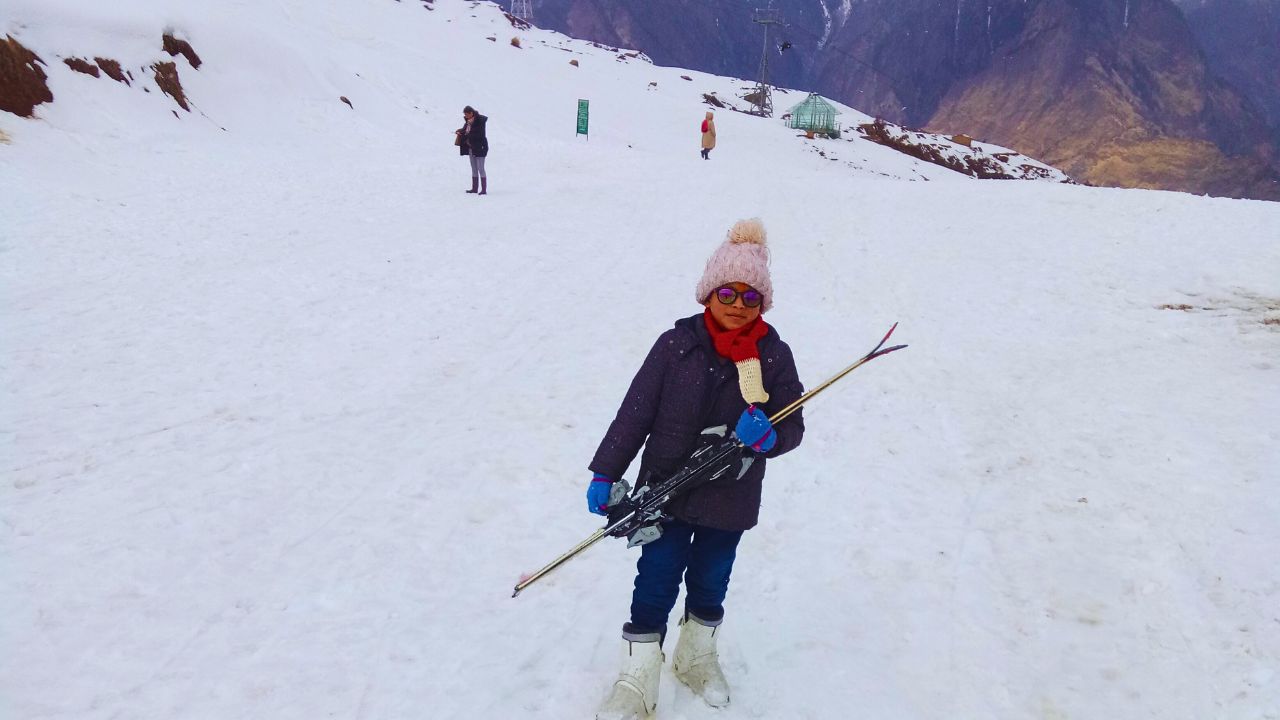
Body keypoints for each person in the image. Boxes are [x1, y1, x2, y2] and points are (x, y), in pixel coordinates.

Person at [588, 219, 805, 719]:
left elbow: (793, 422)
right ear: (708, 292)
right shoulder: (675, 344)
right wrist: (606, 470)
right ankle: (638, 677)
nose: (737, 304)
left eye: (751, 297)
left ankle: (696, 656)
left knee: (712, 578)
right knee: (656, 578)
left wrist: (772, 436)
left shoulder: (774, 355)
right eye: (727, 291)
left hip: (731, 496)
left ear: (763, 304)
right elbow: (635, 411)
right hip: (664, 491)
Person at [455, 105, 489, 195]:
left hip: (480, 147)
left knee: (480, 168)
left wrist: (466, 134)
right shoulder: (468, 122)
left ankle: (484, 190)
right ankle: (474, 188)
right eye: (464, 115)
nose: (465, 116)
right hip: (471, 148)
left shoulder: (480, 121)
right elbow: (465, 130)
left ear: (471, 113)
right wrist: (460, 131)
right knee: (474, 168)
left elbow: (479, 134)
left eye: (466, 114)